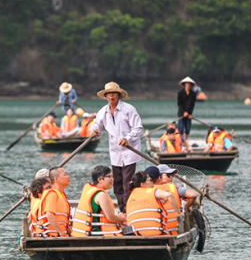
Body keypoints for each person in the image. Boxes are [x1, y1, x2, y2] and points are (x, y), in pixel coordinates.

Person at [90, 81, 144, 213]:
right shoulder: (103, 111)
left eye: (114, 93)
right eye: (109, 94)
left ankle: (129, 210)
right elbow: (96, 124)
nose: (111, 96)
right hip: (115, 152)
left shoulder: (128, 109)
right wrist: (95, 130)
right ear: (106, 96)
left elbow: (138, 128)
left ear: (118, 95)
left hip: (129, 151)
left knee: (127, 183)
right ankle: (122, 209)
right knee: (117, 184)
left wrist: (128, 138)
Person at [72, 165, 128, 237]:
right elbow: (110, 217)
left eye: (112, 176)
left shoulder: (89, 190)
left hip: (83, 233)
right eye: (109, 176)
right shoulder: (101, 195)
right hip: (98, 234)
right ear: (100, 180)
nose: (112, 179)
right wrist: (124, 219)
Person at [125, 168, 180, 236]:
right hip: (156, 235)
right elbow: (169, 195)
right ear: (142, 184)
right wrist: (179, 213)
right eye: (149, 180)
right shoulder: (154, 191)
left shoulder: (131, 197)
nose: (152, 182)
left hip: (137, 235)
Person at [34, 167, 71, 237]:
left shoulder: (61, 195)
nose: (68, 177)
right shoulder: (52, 194)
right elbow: (49, 215)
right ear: (56, 179)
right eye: (65, 175)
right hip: (48, 237)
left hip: (58, 236)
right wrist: (62, 233)